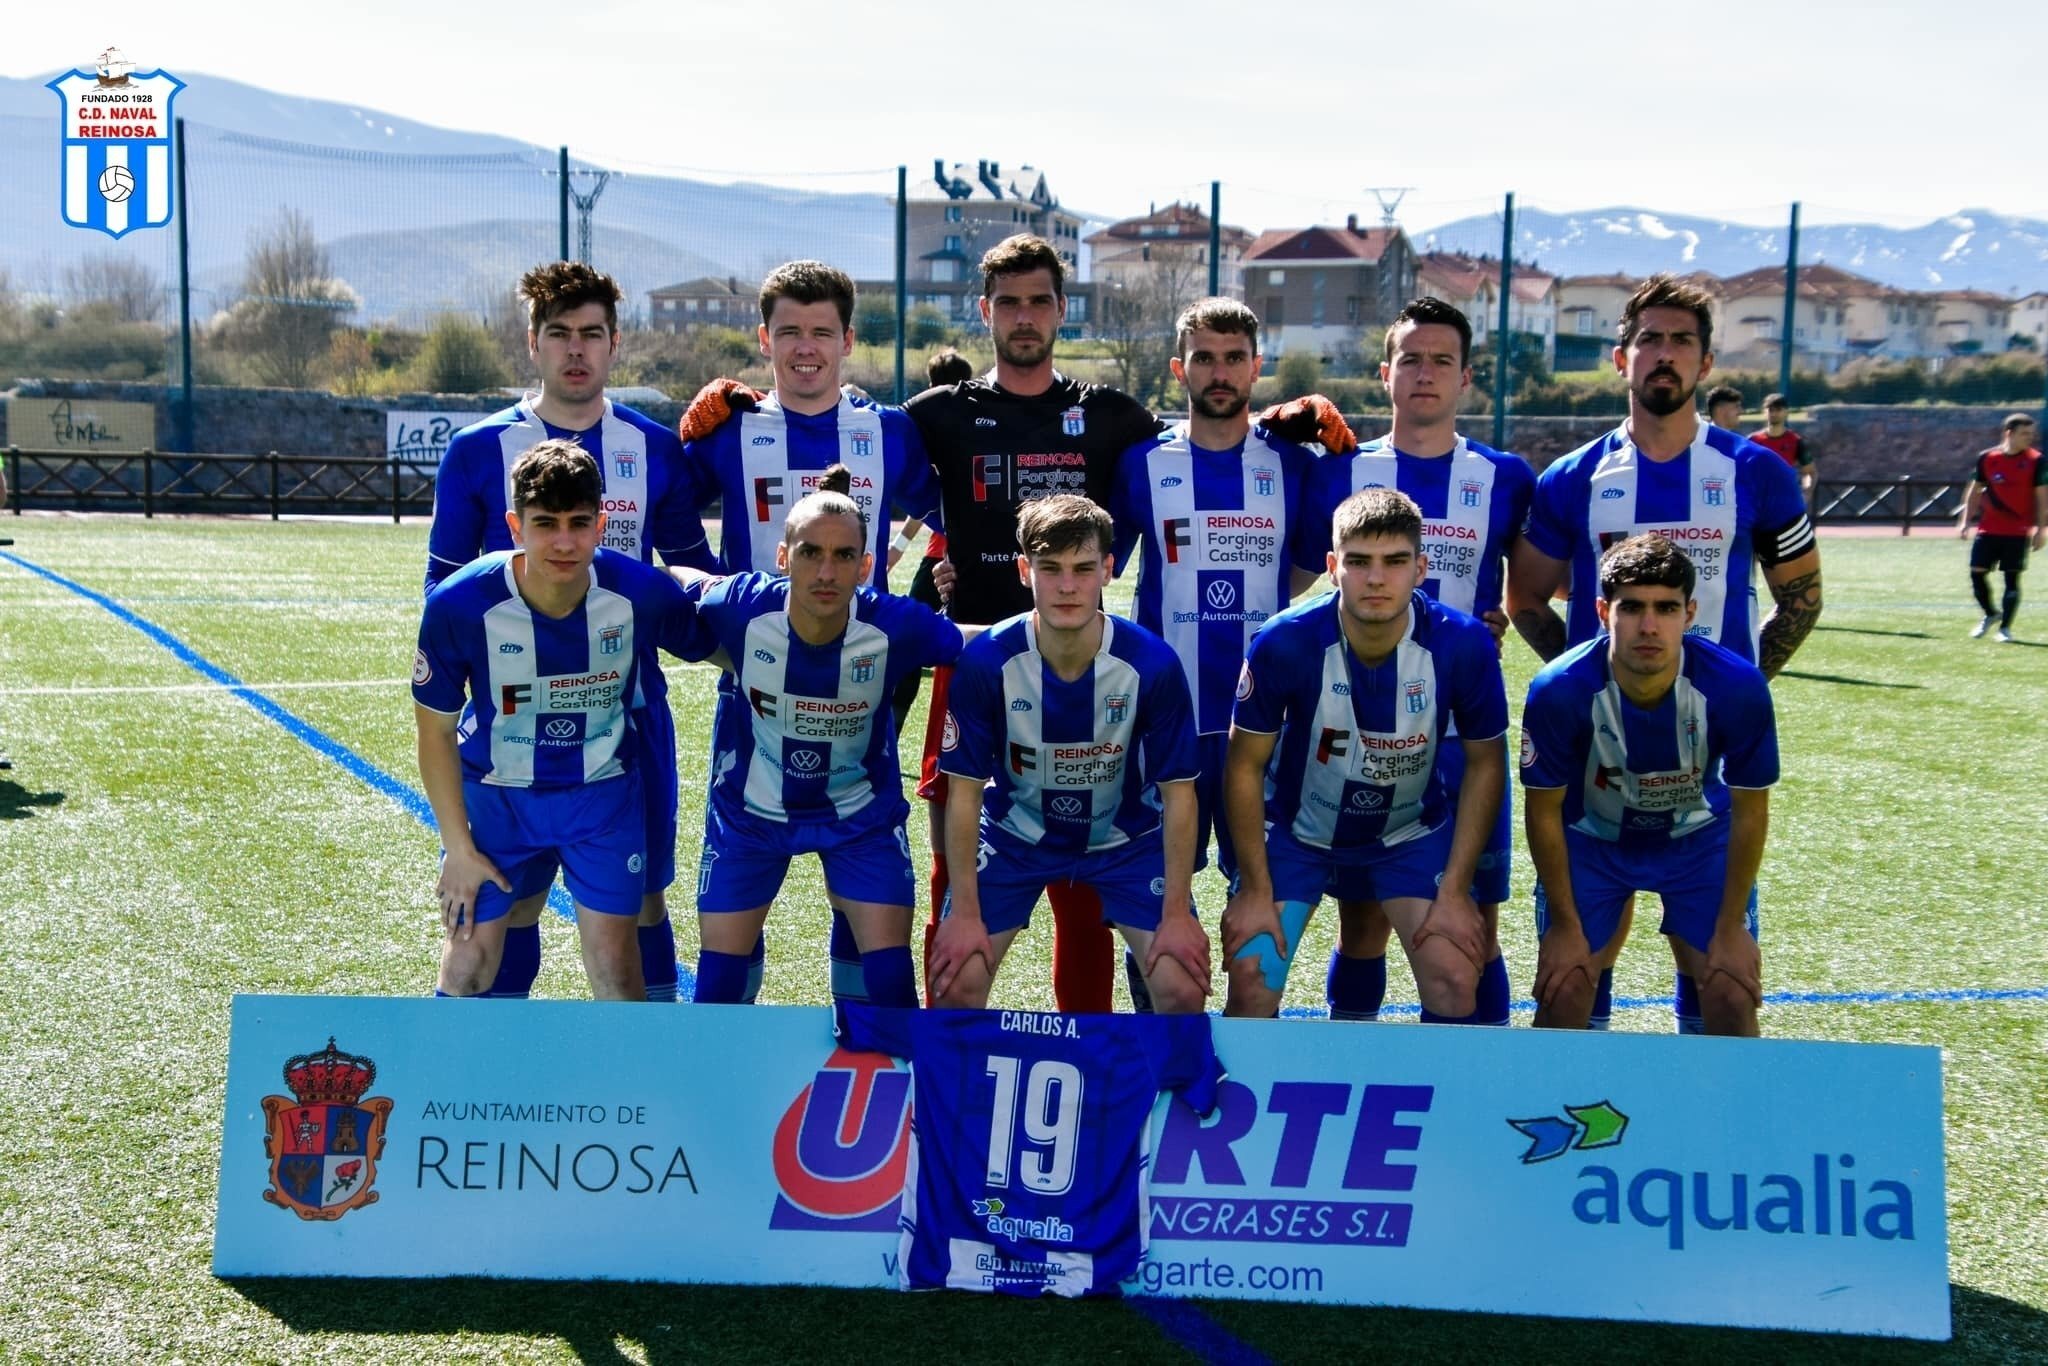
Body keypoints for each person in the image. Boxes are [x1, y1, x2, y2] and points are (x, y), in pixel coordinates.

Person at [1506, 274, 1817, 1033]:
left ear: (1706, 363)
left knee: (1721, 985)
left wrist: (1727, 693)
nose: (1665, 355)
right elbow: (1526, 601)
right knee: (1573, 980)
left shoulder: (1757, 472)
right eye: (1650, 340)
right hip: (1595, 768)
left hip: (1706, 767)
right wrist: (1594, 687)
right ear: (1622, 358)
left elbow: (1802, 599)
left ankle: (1704, 1103)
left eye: (1683, 341)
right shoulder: (1573, 478)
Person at [425, 262, 708, 1003]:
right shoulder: (477, 449)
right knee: (508, 901)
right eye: (559, 333)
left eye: (591, 333)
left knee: (642, 901)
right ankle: (501, 1054)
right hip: (510, 726)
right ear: (533, 342)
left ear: (615, 342)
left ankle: (650, 1055)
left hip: (626, 719)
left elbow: (694, 580)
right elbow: (442, 592)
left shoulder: (654, 447)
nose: (575, 349)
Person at [679, 260, 946, 1006]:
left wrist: (947, 564)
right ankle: (732, 1036)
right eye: (789, 331)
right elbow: (666, 511)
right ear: (764, 338)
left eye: (822, 332)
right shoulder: (730, 430)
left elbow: (948, 508)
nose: (806, 347)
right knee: (741, 885)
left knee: (862, 888)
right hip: (754, 692)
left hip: (864, 688)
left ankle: (862, 1044)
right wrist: (714, 600)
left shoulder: (887, 432)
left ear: (848, 340)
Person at [1297, 297, 1535, 1023]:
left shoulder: (1505, 476)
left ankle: (1476, 1071)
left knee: (1475, 926)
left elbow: (1535, 592)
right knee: (1362, 920)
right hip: (1362, 731)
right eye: (1410, 360)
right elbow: (1299, 580)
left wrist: (1497, 621)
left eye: (1441, 361)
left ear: (1466, 377)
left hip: (1462, 734)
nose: (1425, 374)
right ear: (1385, 373)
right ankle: (1356, 1059)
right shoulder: (1340, 471)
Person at [675, 466, 970, 1008]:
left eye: (843, 556)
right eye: (810, 553)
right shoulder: (740, 605)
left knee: (890, 986)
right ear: (784, 558)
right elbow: (674, 581)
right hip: (750, 816)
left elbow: (972, 643)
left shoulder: (895, 625)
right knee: (717, 991)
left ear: (865, 566)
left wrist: (1053, 628)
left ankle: (872, 1056)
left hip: (860, 817)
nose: (827, 571)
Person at [1222, 487, 1508, 1023]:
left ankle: (1428, 1085)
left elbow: (1486, 763)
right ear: (1333, 568)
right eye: (1358, 562)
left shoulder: (1463, 643)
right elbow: (1244, 764)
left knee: (1453, 975)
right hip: (1297, 832)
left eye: (1395, 561)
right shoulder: (1284, 641)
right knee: (1253, 974)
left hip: (1408, 833)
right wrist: (1255, 889)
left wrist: (1454, 890)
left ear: (1420, 568)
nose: (1376, 578)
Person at [1108, 297, 1322, 1004]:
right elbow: (1095, 566)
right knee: (1155, 898)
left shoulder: (1293, 466)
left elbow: (1305, 574)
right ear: (1180, 369)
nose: (1219, 372)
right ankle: (1162, 1037)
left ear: (1257, 367)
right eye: (1204, 358)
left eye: (1234, 358)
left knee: (1261, 889)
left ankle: (1248, 1036)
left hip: (1262, 723)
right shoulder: (1142, 464)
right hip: (1165, 720)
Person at [927, 494, 1211, 1015]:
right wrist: (964, 911)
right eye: (1050, 568)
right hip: (1015, 837)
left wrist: (1176, 913)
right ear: (1024, 571)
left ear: (1107, 569)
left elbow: (1179, 797)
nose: (1066, 586)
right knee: (955, 984)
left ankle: (1161, 1072)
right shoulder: (987, 662)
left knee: (1182, 988)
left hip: (1126, 841)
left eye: (1082, 569)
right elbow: (963, 795)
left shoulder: (1152, 664)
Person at [1520, 535, 1779, 1037]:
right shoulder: (1559, 689)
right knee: (1564, 987)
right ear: (1603, 611)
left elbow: (1751, 811)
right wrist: (1566, 928)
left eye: (1666, 608)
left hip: (1698, 841)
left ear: (1689, 613)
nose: (1649, 626)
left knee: (1732, 990)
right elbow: (1543, 810)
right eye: (1633, 607)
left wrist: (1731, 928)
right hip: (1592, 841)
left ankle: (1716, 1089)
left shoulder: (1737, 687)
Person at [1959, 412, 2046, 642]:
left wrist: (2040, 530)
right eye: (2024, 433)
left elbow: (2042, 498)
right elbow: (1974, 491)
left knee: (2011, 579)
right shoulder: (1987, 458)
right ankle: (1990, 613)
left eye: (2031, 433)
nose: (2029, 438)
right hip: (1988, 530)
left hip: (2017, 531)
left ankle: (2005, 629)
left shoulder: (2036, 461)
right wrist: (1965, 521)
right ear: (2009, 433)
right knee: (1976, 573)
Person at [1749, 393, 1816, 514]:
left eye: (1778, 409)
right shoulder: (1752, 441)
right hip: (1757, 503)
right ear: (1764, 412)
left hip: (1785, 503)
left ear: (1786, 412)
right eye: (1770, 410)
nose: (1774, 413)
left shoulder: (1795, 441)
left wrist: (1806, 494)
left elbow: (1809, 472)